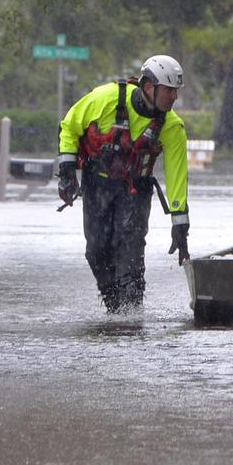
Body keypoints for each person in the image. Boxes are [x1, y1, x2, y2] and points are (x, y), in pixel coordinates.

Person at [56, 54, 192, 312]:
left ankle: (130, 318)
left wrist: (180, 225)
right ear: (149, 87)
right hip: (98, 185)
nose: (174, 98)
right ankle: (114, 308)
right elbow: (69, 127)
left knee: (130, 256)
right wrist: (67, 173)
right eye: (169, 91)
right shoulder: (104, 98)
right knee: (96, 252)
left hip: (136, 191)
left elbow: (177, 177)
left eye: (176, 92)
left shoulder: (172, 127)